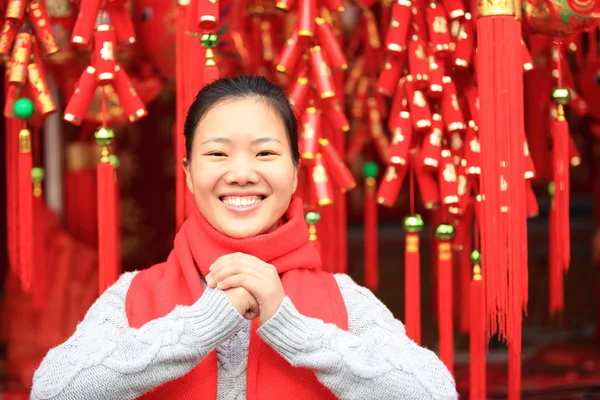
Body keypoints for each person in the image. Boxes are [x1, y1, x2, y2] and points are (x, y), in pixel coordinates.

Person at [30, 75, 458, 400]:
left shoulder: (342, 300)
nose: (239, 173)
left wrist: (290, 326)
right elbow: (50, 390)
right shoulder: (133, 294)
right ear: (188, 174)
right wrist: (203, 324)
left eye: (265, 153)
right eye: (217, 153)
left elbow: (436, 391)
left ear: (294, 175)